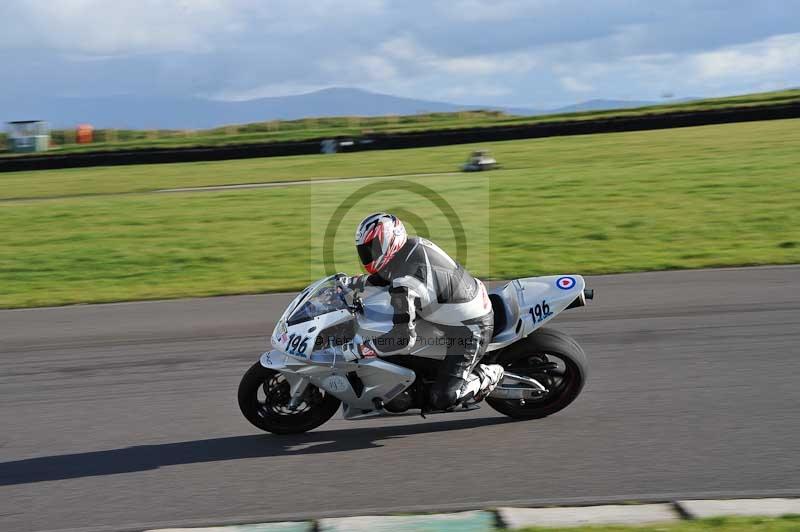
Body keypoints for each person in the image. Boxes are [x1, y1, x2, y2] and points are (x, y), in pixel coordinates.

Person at [339, 212, 504, 410]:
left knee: (444, 397)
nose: (368, 255)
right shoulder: (411, 247)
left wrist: (359, 349)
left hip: (470, 327)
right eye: (364, 250)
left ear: (389, 242)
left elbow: (402, 338)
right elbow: (388, 275)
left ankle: (489, 374)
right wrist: (353, 284)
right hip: (450, 312)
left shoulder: (405, 284)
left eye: (372, 248)